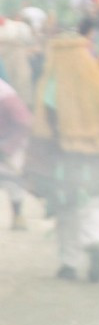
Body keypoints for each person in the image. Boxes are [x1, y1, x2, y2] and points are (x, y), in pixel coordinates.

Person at [28, 32, 99, 281]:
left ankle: (69, 262)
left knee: (66, 207)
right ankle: (97, 240)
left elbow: (47, 121)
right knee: (93, 199)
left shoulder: (53, 82)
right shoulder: (96, 78)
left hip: (64, 155)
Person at [0, 78, 32, 230]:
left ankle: (18, 215)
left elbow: (24, 123)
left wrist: (8, 147)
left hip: (9, 143)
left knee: (12, 182)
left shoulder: (6, 95)